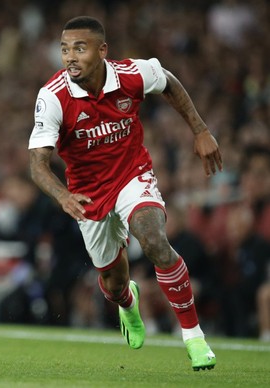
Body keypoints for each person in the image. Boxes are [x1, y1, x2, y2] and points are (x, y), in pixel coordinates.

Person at [28, 16, 222, 371]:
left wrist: (200, 129)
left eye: (80, 48)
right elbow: (38, 164)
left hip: (133, 174)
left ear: (102, 51)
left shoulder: (132, 74)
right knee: (113, 282)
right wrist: (63, 197)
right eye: (65, 48)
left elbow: (168, 82)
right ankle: (127, 304)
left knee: (153, 240)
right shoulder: (53, 96)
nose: (70, 56)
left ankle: (194, 336)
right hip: (87, 194)